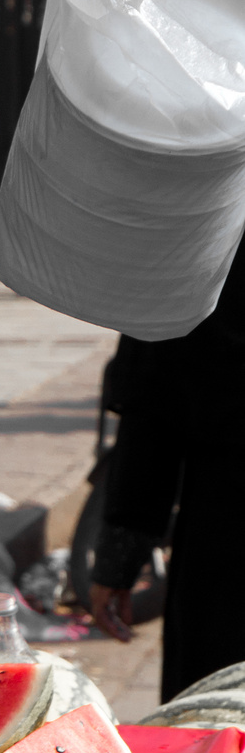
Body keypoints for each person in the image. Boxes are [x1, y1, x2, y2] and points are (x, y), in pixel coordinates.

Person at [88, 253, 245, 701]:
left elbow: (154, 405)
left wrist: (119, 557)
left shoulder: (197, 230)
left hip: (226, 551)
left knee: (217, 739)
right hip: (224, 535)